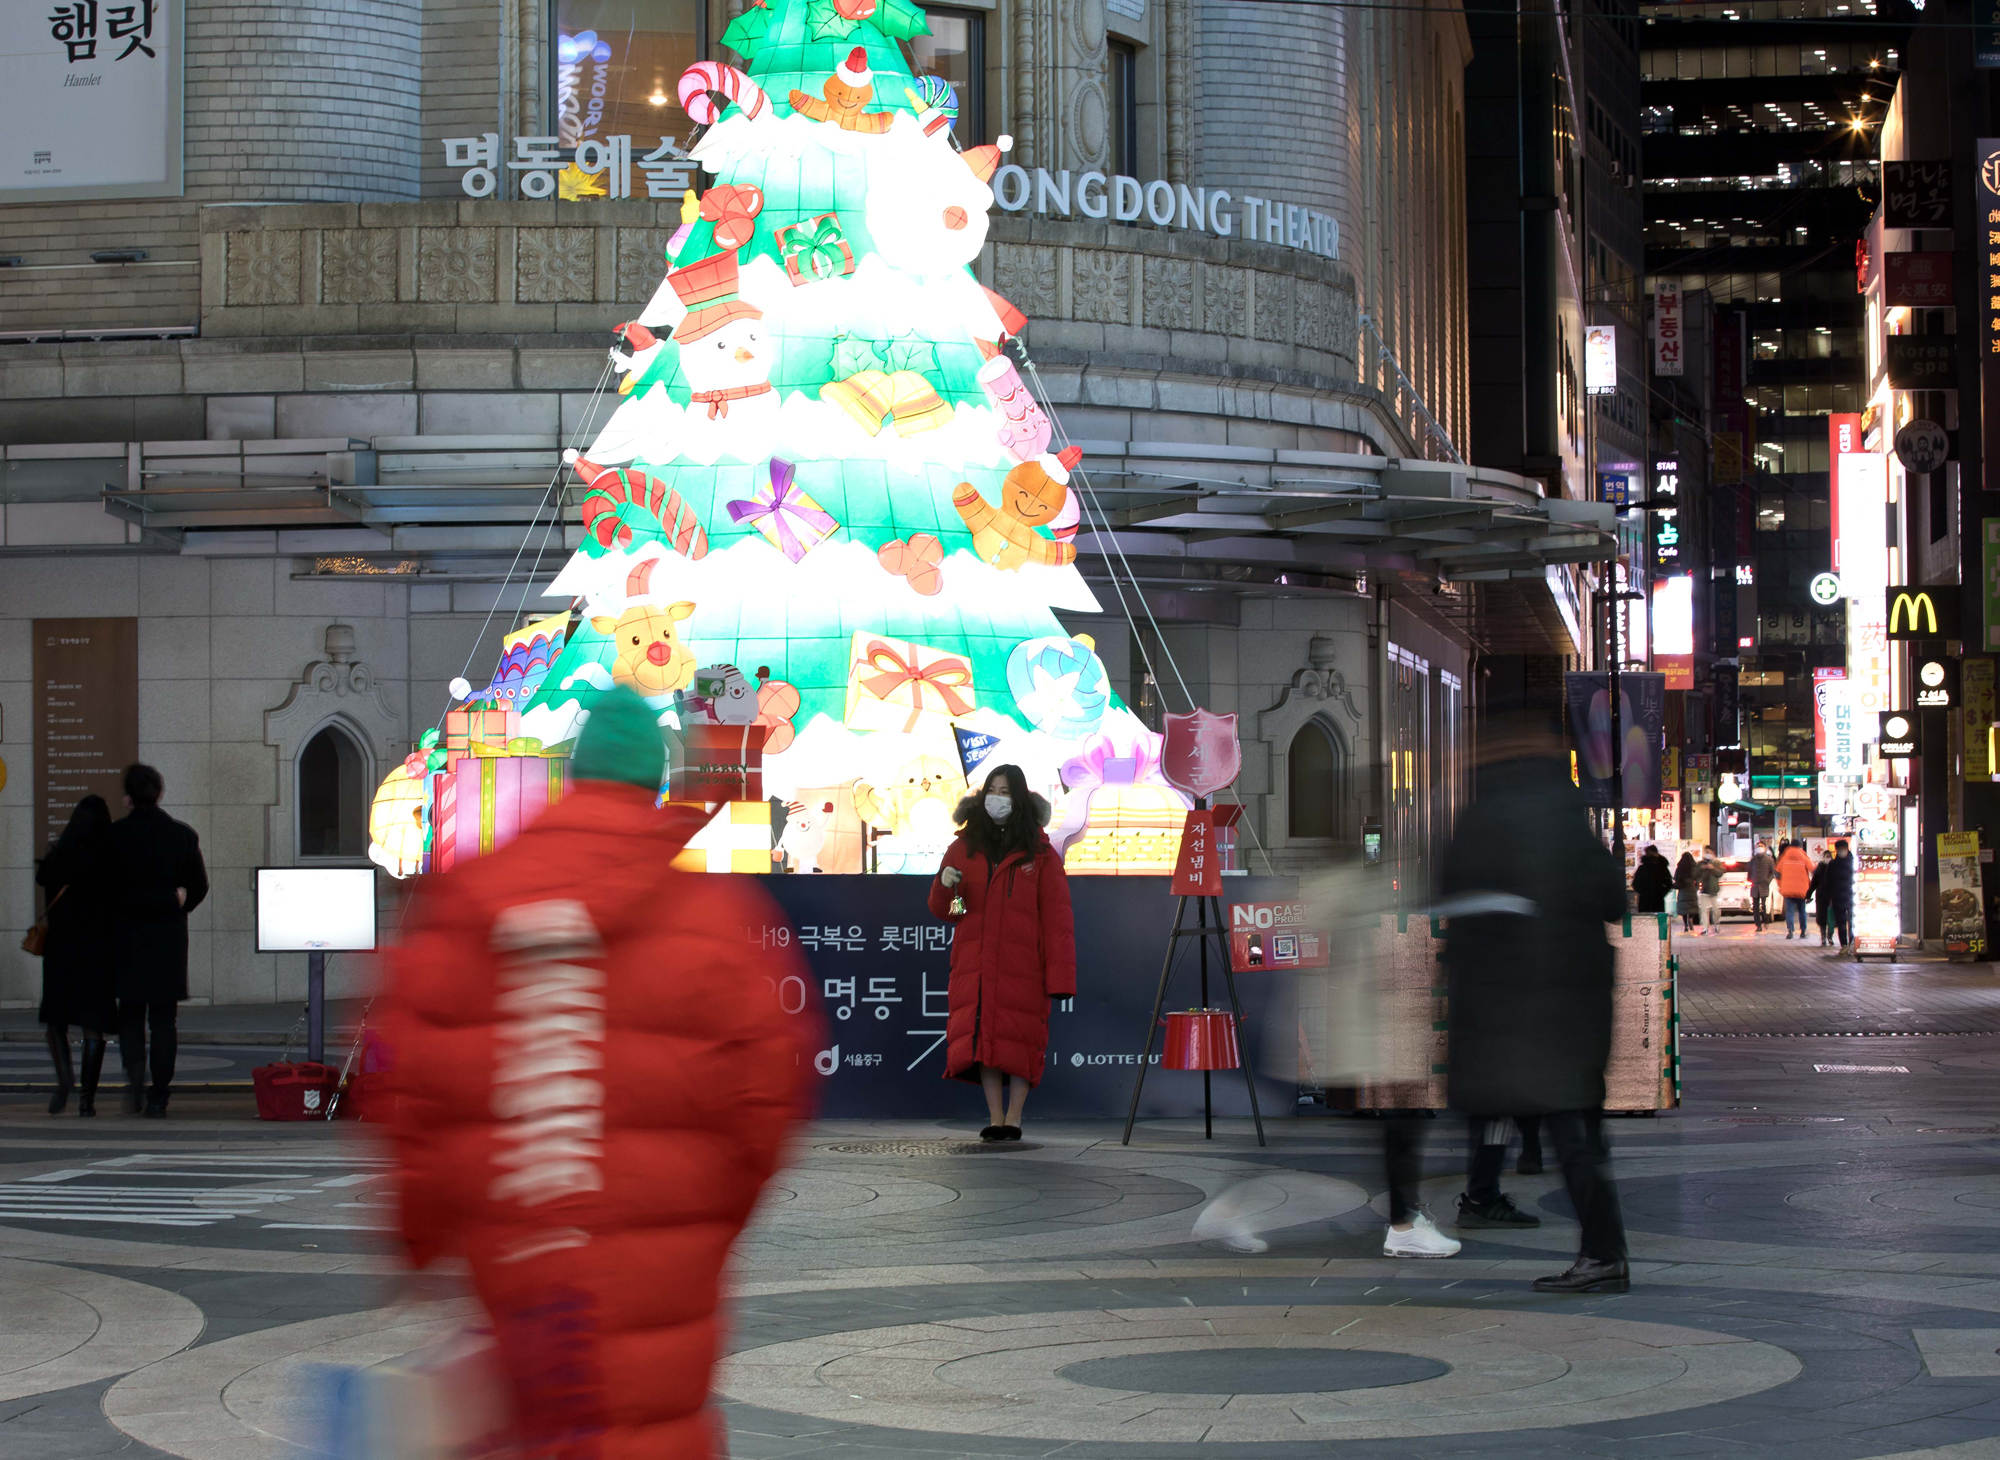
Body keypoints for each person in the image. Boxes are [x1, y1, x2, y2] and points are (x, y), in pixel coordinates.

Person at [383, 685, 813, 1460]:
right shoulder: (714, 918)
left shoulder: (464, 903)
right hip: (665, 1251)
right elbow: (766, 1096)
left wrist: (420, 1235)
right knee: (648, 1421)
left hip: (516, 1246)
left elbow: (410, 1087)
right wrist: (714, 1217)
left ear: (572, 777)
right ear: (655, 782)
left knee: (535, 1416)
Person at [1439, 705, 1630, 1292]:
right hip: (1572, 1002)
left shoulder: (1483, 816)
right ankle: (1601, 1253)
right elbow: (1612, 900)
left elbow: (1453, 899)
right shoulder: (1566, 813)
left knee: (1530, 1117)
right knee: (1576, 1133)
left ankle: (1599, 1254)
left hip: (1509, 1006)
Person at [930, 763, 1076, 1140]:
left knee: (1021, 1041)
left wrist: (1060, 979)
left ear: (1021, 798)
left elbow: (1056, 921)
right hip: (976, 966)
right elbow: (953, 913)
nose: (998, 798)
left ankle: (1015, 1118)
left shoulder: (1040, 852)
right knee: (986, 1041)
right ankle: (996, 1119)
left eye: (1006, 792)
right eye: (993, 790)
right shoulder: (963, 847)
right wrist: (948, 889)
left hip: (1023, 965)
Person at [106, 764, 209, 1117]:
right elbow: (199, 887)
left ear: (127, 797)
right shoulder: (182, 835)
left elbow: (103, 892)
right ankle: (159, 1097)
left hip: (126, 938)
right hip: (168, 939)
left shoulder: (114, 836)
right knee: (165, 1022)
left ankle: (135, 1079)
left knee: (130, 1015)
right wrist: (176, 903)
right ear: (160, 793)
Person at [33, 796, 117, 1116]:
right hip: (96, 952)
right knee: (92, 1025)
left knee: (57, 1020)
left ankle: (64, 1081)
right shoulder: (108, 860)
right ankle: (88, 1099)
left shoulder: (59, 858)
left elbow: (43, 882)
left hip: (60, 950)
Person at [1775, 838, 1814, 939]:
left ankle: (1790, 931)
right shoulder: (1804, 857)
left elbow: (1777, 873)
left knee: (1789, 911)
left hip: (1787, 890)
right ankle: (1803, 931)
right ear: (1800, 846)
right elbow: (1813, 870)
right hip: (1802, 890)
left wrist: (1781, 886)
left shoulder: (1784, 858)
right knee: (1802, 910)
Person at [1828, 838, 1855, 949]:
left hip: (1852, 897)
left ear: (1847, 849)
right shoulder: (1833, 864)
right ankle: (1844, 945)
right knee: (1841, 922)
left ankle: (1852, 942)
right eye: (1839, 849)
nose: (1841, 851)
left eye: (1843, 848)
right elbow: (1828, 882)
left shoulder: (1854, 863)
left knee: (1853, 921)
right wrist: (1828, 897)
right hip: (1837, 897)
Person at [1632, 845, 1673, 913]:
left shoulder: (1642, 868)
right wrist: (1661, 893)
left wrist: (1643, 892)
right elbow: (1669, 884)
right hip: (1658, 900)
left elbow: (1635, 884)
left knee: (1645, 920)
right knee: (1658, 920)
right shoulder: (1662, 868)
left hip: (1644, 901)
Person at [1810, 848, 1836, 945]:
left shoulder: (1835, 869)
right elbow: (1814, 883)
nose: (1828, 859)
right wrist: (1809, 894)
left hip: (1832, 897)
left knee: (1831, 918)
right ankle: (1823, 938)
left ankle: (1830, 936)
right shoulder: (1819, 869)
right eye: (1826, 857)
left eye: (1829, 857)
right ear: (1823, 858)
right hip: (1821, 897)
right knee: (1822, 919)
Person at [1748, 840, 1776, 932]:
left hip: (1764, 885)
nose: (1759, 848)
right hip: (1755, 886)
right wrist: (1750, 880)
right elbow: (1749, 872)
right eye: (1758, 846)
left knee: (1764, 905)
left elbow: (1772, 872)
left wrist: (1767, 880)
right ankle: (1758, 925)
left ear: (1765, 848)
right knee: (1755, 907)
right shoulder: (1753, 860)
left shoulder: (1769, 860)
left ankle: (1765, 920)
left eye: (1761, 846)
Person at [1695, 851, 1724, 935]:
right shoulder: (1700, 864)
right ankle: (1705, 928)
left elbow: (1720, 873)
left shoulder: (1716, 863)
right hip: (1703, 890)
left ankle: (1716, 924)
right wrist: (1701, 868)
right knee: (1703, 910)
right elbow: (1695, 874)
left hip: (1713, 890)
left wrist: (1712, 868)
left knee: (1715, 909)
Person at [1673, 851, 1700, 932]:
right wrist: (1696, 887)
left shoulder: (1680, 866)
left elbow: (1676, 878)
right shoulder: (1694, 866)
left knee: (1684, 908)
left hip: (1683, 889)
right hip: (1692, 888)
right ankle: (1691, 919)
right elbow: (1697, 877)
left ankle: (1686, 924)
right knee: (1693, 907)